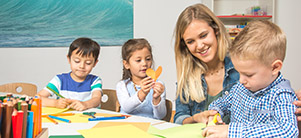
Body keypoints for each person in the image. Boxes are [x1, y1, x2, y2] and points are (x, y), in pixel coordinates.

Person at [203, 20, 298, 138]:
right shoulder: (241, 87)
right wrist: (216, 112)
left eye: (248, 75)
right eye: (239, 73)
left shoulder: (281, 95)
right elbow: (223, 102)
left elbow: (287, 131)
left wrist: (231, 131)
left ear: (275, 67)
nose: (241, 80)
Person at [173, 3, 239, 124]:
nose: (199, 46)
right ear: (185, 46)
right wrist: (194, 119)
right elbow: (179, 118)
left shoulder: (241, 68)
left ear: (216, 30)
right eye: (190, 41)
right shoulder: (187, 77)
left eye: (203, 35)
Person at [38, 37, 102, 111]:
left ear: (95, 63)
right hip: (65, 119)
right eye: (77, 61)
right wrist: (55, 103)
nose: (82, 66)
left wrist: (85, 104)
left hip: (88, 119)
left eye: (88, 63)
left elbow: (97, 100)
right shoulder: (59, 80)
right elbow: (37, 98)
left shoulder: (95, 81)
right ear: (69, 59)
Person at [116, 38, 166, 119]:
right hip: (127, 125)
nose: (144, 63)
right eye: (138, 60)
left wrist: (157, 99)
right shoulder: (122, 85)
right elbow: (126, 108)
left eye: (148, 59)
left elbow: (160, 116)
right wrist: (142, 93)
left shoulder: (158, 85)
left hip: (150, 126)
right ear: (126, 64)